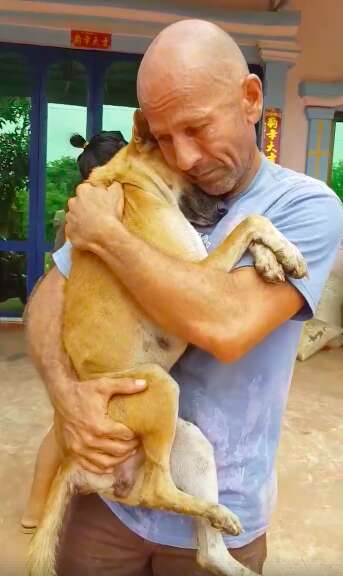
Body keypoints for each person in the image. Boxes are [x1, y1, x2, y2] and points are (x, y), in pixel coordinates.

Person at [26, 19, 343, 576]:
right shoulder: (144, 180)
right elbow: (48, 300)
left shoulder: (307, 207)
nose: (185, 157)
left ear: (250, 99)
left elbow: (224, 327)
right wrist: (64, 393)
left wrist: (108, 235)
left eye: (197, 127)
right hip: (106, 508)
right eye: (165, 137)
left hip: (221, 508)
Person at [21, 130, 127, 532]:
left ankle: (44, 506)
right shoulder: (91, 222)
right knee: (66, 422)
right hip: (82, 332)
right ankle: (35, 509)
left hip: (88, 327)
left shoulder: (85, 214)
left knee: (75, 421)